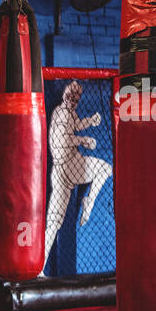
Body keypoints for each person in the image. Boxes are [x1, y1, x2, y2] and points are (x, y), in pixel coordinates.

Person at [44, 80, 112, 268]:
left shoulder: (68, 112)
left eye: (77, 97)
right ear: (64, 92)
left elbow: (76, 125)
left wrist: (90, 121)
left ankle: (40, 266)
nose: (74, 99)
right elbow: (59, 141)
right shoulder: (61, 113)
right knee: (105, 169)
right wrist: (82, 140)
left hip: (65, 170)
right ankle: (88, 200)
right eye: (71, 94)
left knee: (54, 222)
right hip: (68, 165)